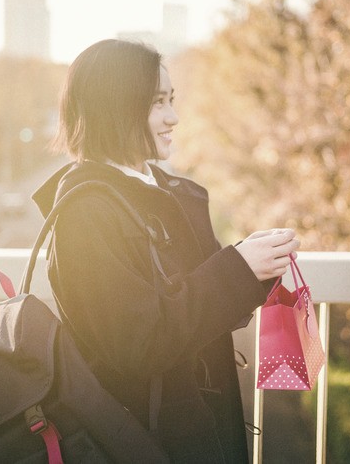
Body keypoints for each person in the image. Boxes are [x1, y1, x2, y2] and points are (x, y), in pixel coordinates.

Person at [32, 38, 300, 463]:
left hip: (195, 426)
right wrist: (237, 269)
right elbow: (135, 342)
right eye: (157, 103)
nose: (174, 117)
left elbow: (201, 305)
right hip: (139, 439)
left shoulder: (166, 193)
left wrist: (254, 266)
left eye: (171, 100)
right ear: (114, 107)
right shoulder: (85, 213)